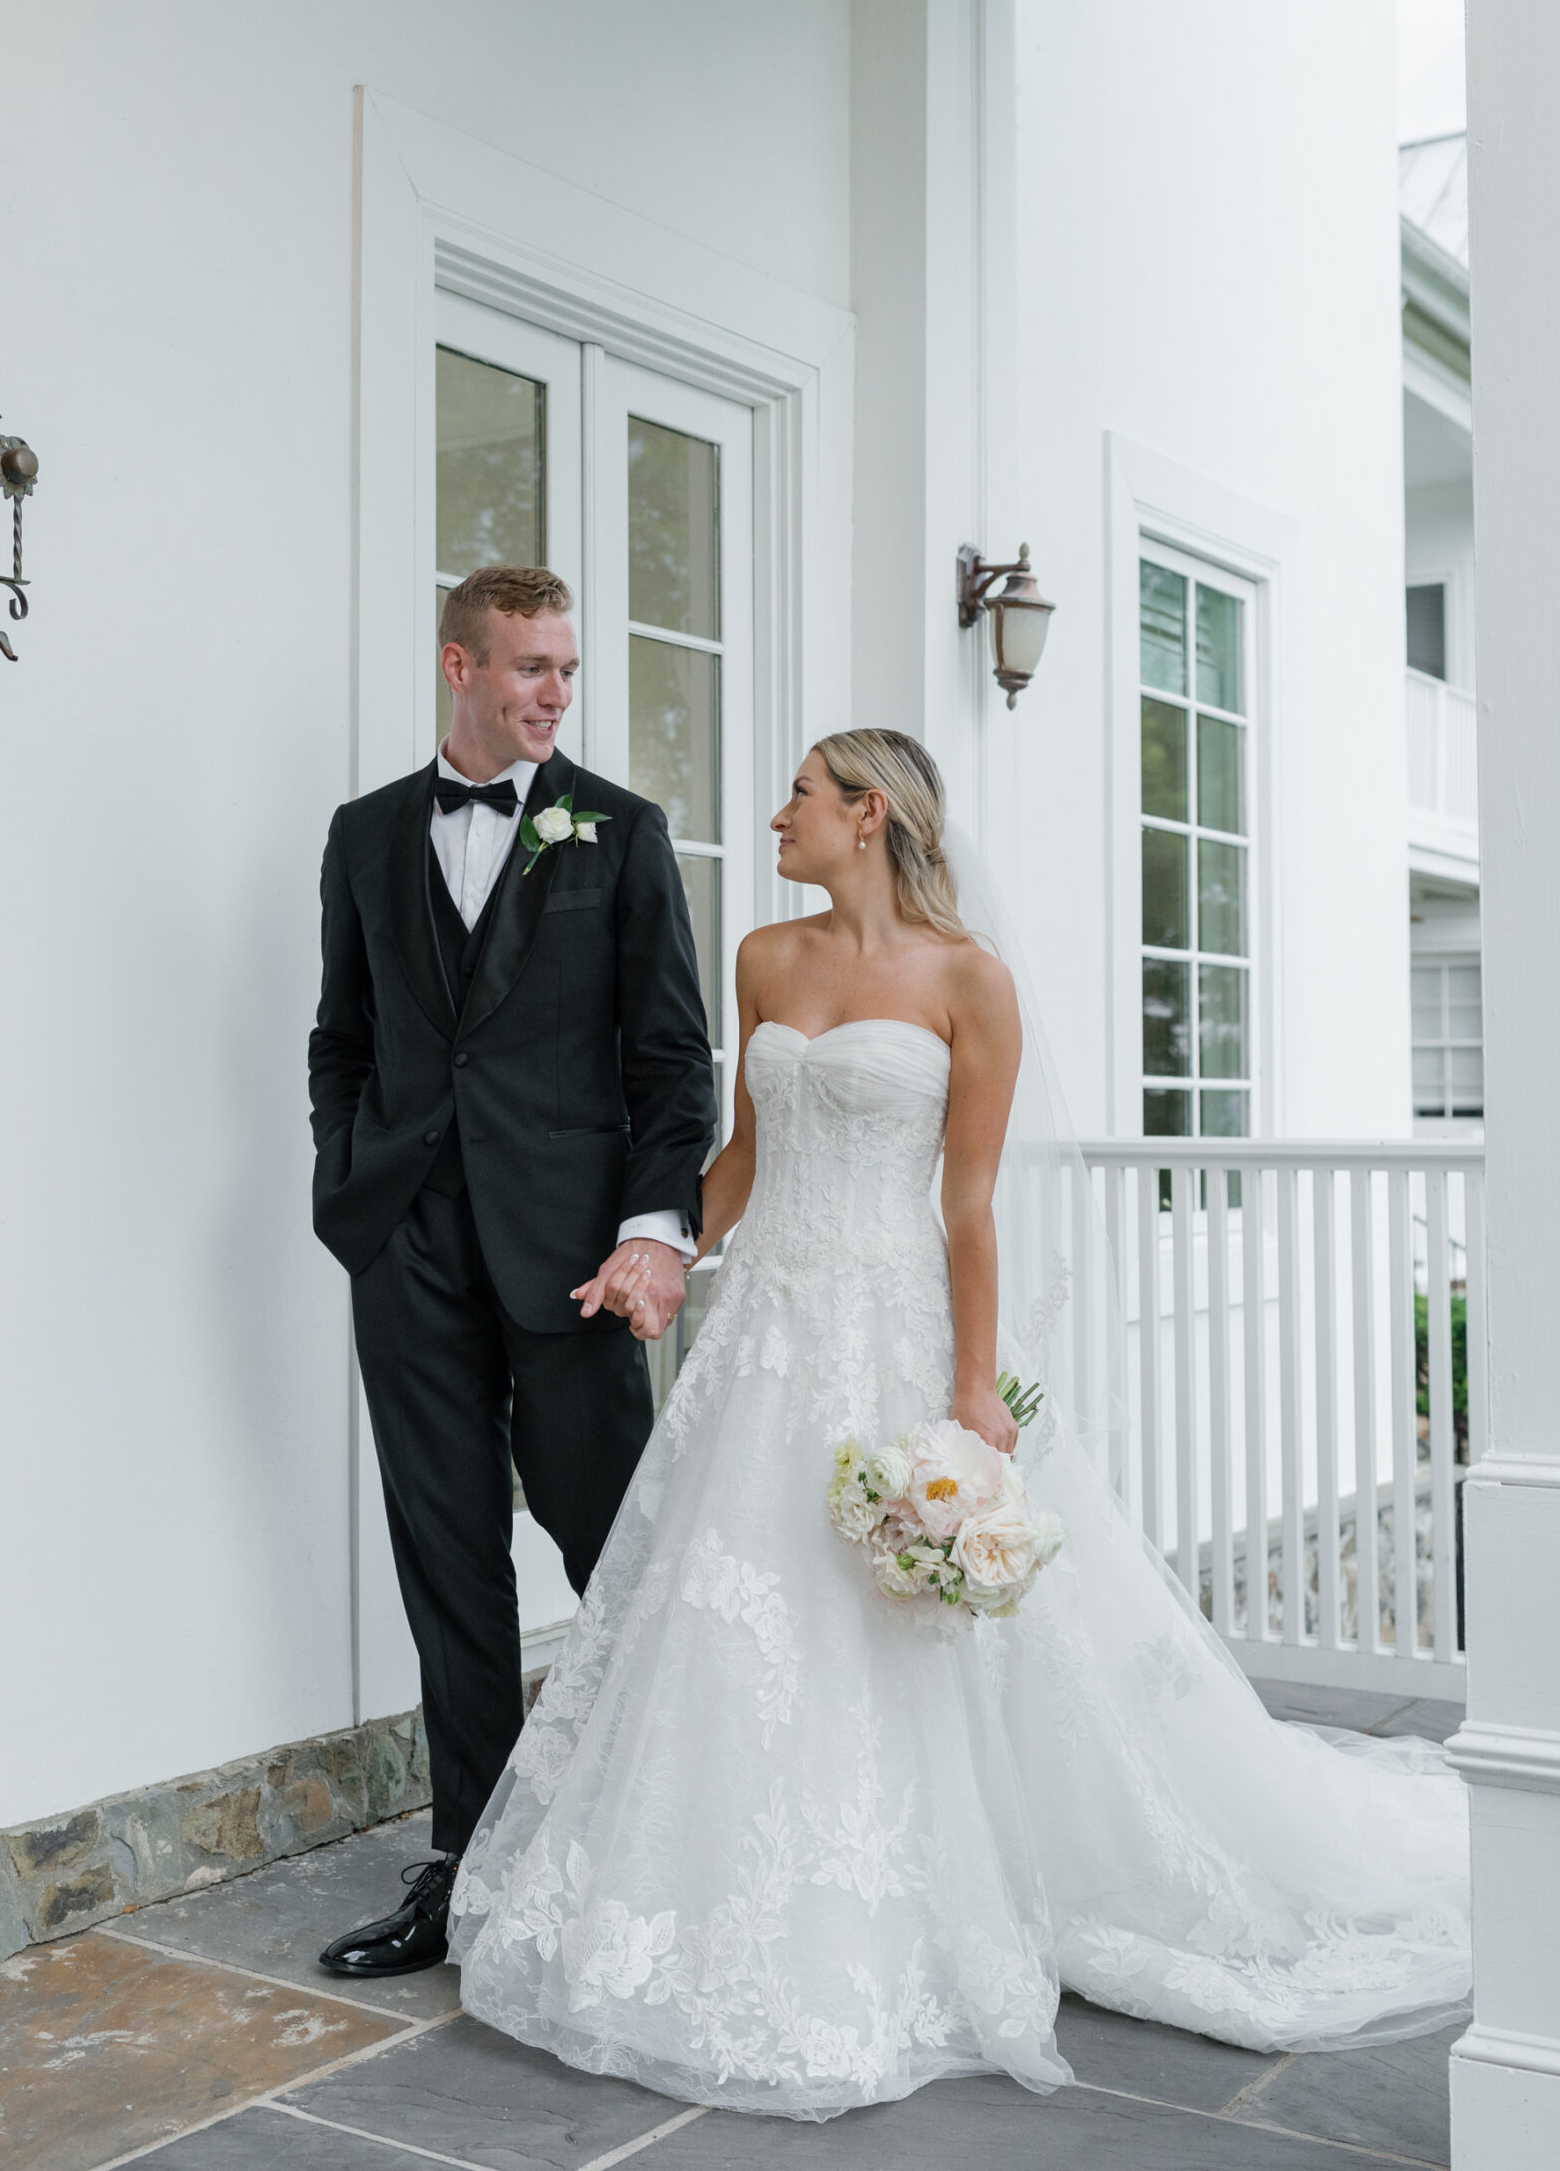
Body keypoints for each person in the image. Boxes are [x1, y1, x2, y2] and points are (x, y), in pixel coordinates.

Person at [449, 727, 1471, 2120]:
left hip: (896, 1329)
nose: (775, 816)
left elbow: (969, 1204)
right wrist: (665, 1250)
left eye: (799, 796)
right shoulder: (763, 956)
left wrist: (973, 1386)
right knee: (743, 1608)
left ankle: (949, 1886)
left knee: (898, 1617)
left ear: (867, 814)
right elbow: (742, 1157)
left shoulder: (967, 980)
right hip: (764, 1344)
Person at [307, 565, 717, 1979]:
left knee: (620, 1554)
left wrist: (651, 1230)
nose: (552, 691)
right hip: (403, 1244)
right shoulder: (364, 834)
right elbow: (339, 1037)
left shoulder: (621, 831)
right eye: (529, 667)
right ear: (458, 667)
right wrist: (347, 1182)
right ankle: (469, 1868)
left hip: (571, 1262)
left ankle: (669, 1849)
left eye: (566, 670)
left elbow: (672, 1060)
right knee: (448, 1565)